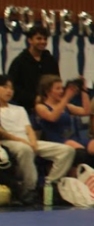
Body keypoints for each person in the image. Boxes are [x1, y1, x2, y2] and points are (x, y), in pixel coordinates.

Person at [0, 74, 75, 204]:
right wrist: (23, 141)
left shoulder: (19, 109)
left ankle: (49, 184)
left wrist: (33, 141)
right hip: (10, 142)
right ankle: (29, 189)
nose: (9, 91)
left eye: (11, 88)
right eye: (5, 87)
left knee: (67, 150)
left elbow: (29, 128)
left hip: (28, 140)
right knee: (25, 149)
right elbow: (2, 132)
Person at [7, 25, 59, 112]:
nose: (43, 41)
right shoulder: (19, 61)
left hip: (49, 107)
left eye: (45, 39)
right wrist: (33, 99)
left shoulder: (50, 60)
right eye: (39, 38)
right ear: (30, 40)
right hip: (26, 109)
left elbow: (57, 81)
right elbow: (13, 87)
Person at [34, 75, 90, 151]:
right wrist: (66, 97)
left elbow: (86, 111)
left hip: (72, 138)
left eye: (62, 88)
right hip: (56, 141)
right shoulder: (41, 107)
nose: (61, 91)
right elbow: (53, 117)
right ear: (47, 91)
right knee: (81, 151)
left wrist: (84, 91)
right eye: (58, 89)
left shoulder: (66, 106)